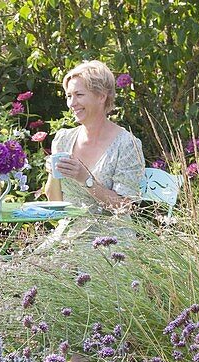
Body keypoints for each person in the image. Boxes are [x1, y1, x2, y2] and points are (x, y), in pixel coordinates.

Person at [40, 60, 144, 247]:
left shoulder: (127, 145)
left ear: (101, 96)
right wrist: (52, 173)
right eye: (68, 96)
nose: (72, 103)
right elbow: (55, 203)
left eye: (79, 95)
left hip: (110, 241)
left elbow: (124, 207)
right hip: (68, 237)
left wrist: (85, 179)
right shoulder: (63, 139)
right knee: (25, 272)